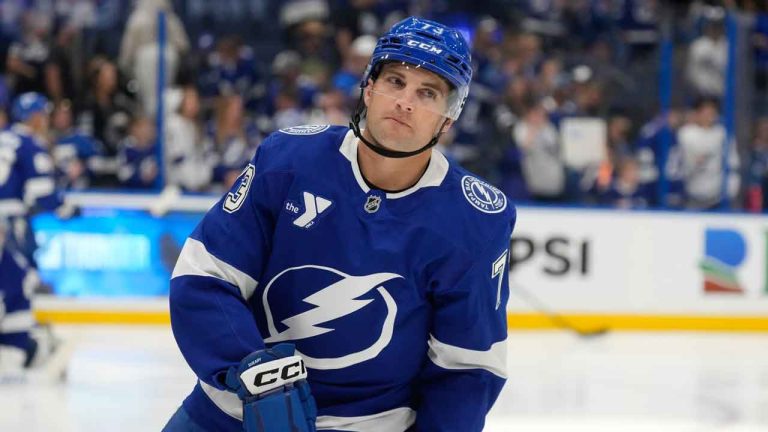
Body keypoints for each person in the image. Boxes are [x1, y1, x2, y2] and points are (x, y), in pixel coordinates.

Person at [165, 17, 516, 432]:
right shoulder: (289, 160)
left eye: (428, 93)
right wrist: (255, 374)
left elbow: (467, 366)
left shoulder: (474, 219)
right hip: (231, 413)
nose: (405, 101)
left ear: (448, 118)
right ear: (369, 87)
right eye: (395, 81)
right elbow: (206, 277)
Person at [0, 92, 73, 382]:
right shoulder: (29, 144)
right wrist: (68, 208)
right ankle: (19, 350)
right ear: (35, 116)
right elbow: (43, 192)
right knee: (18, 284)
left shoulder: (4, 137)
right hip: (8, 223)